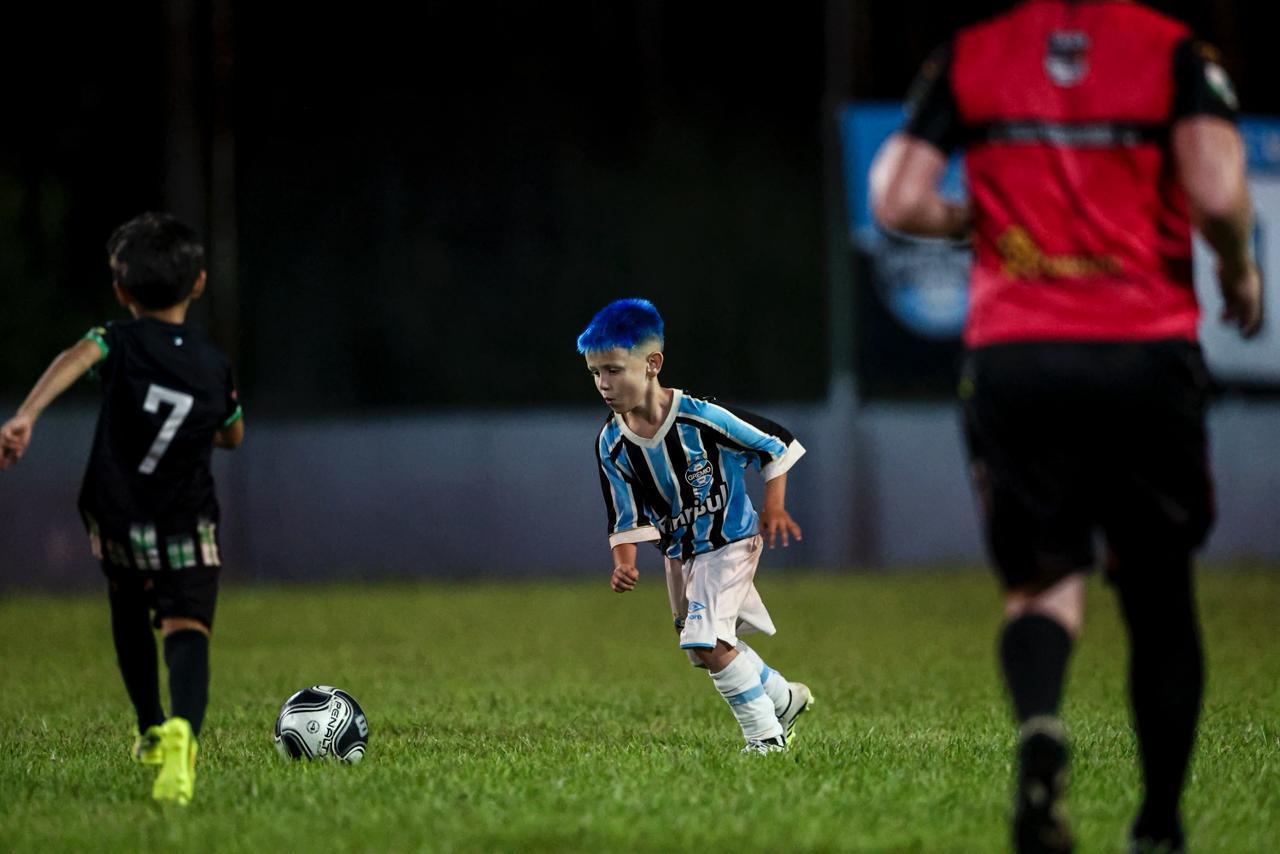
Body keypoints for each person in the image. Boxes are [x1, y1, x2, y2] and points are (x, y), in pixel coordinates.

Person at [870, 3, 1262, 852]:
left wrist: (970, 223)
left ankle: (1043, 729)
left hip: (1018, 355)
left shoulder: (973, 51)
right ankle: (1158, 825)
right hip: (1143, 353)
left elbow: (896, 198)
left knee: (1041, 585)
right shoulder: (1171, 50)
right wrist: (1238, 268)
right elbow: (1218, 192)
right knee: (1158, 593)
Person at [0, 212, 245, 806]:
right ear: (200, 283)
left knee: (130, 607)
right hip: (187, 515)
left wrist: (26, 414)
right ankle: (184, 731)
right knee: (187, 627)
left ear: (121, 291)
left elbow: (75, 356)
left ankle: (150, 727)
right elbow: (232, 436)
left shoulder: (118, 339)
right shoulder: (214, 366)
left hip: (119, 513)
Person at [578, 297, 814, 754]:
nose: (603, 384)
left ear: (652, 364)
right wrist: (623, 562)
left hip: (729, 541)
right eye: (594, 373)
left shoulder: (700, 417)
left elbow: (775, 443)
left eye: (613, 369)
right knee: (699, 649)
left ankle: (766, 737)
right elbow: (624, 516)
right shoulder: (611, 443)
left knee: (707, 641)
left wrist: (775, 506)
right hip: (680, 553)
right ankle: (782, 698)